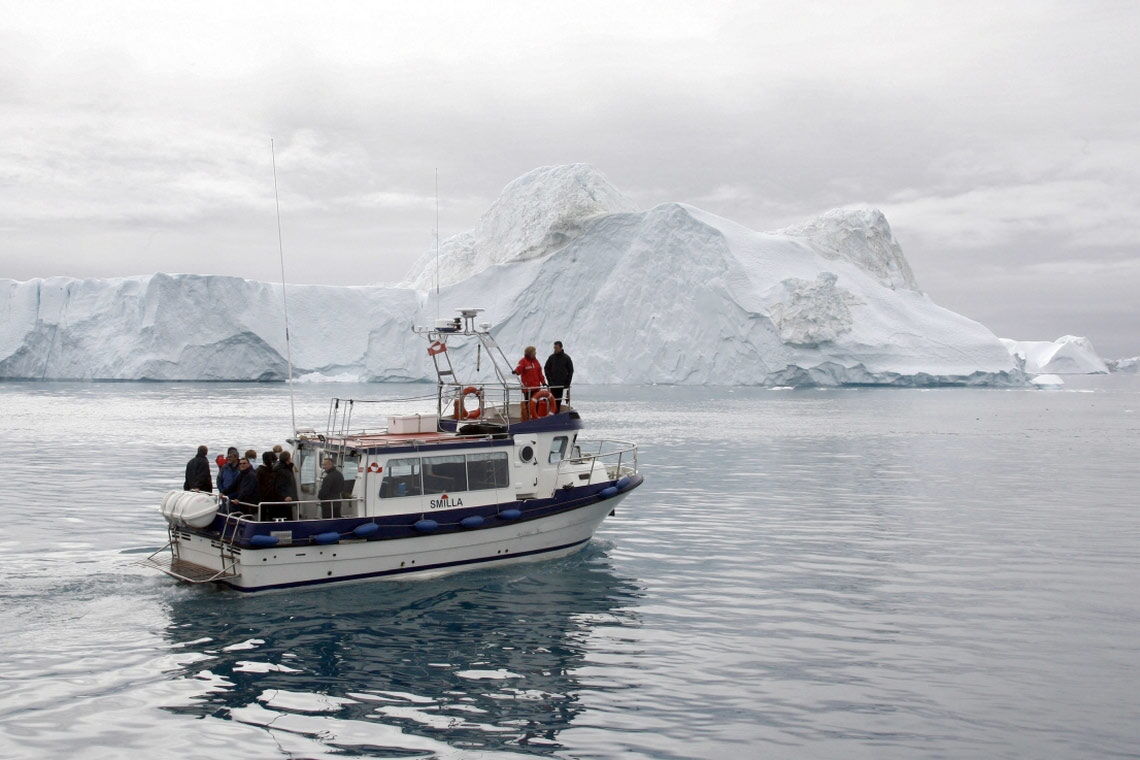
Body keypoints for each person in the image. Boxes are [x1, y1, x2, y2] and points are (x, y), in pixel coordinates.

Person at [513, 345, 546, 420]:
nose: (535, 353)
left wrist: (543, 382)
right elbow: (519, 368)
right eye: (534, 352)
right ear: (530, 353)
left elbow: (539, 373)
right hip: (528, 388)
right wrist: (516, 371)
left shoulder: (536, 362)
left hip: (536, 387)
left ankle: (535, 417)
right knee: (528, 403)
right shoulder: (523, 361)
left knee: (536, 403)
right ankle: (528, 417)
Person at [544, 341, 574, 412]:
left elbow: (571, 370)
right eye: (554, 348)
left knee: (558, 400)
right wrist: (549, 380)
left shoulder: (566, 358)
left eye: (556, 348)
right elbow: (546, 368)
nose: (555, 349)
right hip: (552, 383)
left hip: (561, 384)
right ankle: (552, 414)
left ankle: (556, 414)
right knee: (552, 400)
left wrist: (567, 383)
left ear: (561, 348)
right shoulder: (551, 357)